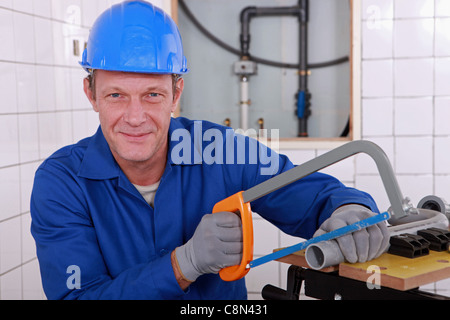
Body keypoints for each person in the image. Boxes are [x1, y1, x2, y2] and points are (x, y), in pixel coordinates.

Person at [30, 0, 389, 300]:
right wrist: (182, 265)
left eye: (152, 95)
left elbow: (309, 193)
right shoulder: (61, 182)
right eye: (116, 95)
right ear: (91, 94)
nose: (135, 117)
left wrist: (350, 209)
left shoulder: (220, 149)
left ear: (176, 93)